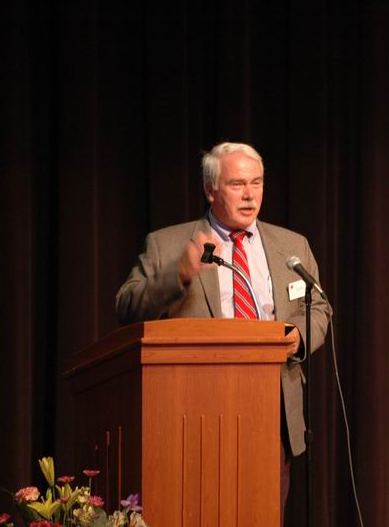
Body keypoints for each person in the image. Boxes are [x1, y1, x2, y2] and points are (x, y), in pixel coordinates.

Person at [116, 141, 330, 523]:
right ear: (210, 189)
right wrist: (178, 275)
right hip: (194, 413)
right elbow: (127, 306)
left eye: (257, 182)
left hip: (272, 410)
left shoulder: (291, 246)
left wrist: (298, 336)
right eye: (237, 184)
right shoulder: (168, 244)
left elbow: (319, 308)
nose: (250, 195)